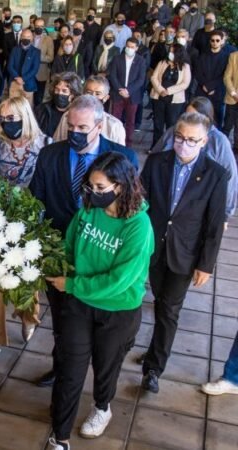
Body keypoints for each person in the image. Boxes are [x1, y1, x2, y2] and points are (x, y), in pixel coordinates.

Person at [45, 152, 153, 449]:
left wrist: (73, 284)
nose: (93, 193)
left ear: (120, 186)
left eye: (100, 187)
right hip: (79, 304)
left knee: (106, 367)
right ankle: (60, 436)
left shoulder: (138, 226)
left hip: (117, 310)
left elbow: (120, 279)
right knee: (71, 369)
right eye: (90, 186)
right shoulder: (87, 211)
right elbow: (69, 247)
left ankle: (102, 406)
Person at [31, 95, 139, 389]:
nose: (75, 133)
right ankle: (62, 368)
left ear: (100, 125)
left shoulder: (124, 158)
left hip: (100, 255)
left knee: (98, 327)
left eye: (83, 127)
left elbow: (130, 208)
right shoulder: (50, 154)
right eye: (71, 126)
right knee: (62, 319)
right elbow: (36, 200)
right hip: (59, 254)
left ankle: (100, 387)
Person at [140, 112, 228, 395]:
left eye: (192, 140)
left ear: (204, 141)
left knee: (169, 310)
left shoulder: (216, 174)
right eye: (180, 138)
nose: (184, 144)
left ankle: (154, 368)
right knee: (154, 299)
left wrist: (206, 264)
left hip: (185, 253)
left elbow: (214, 225)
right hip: (152, 247)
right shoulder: (157, 162)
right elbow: (140, 202)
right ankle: (150, 346)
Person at [0, 96, 51, 357]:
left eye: (13, 119)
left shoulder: (45, 145)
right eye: (4, 119)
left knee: (27, 277)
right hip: (1, 218)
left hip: (31, 221)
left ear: (25, 117)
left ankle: (28, 317)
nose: (8, 123)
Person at [151, 97, 238, 218]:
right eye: (187, 115)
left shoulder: (219, 141)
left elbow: (230, 176)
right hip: (166, 198)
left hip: (199, 204)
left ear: (207, 119)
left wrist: (225, 214)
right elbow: (154, 159)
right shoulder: (173, 131)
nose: (190, 120)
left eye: (195, 117)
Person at [54, 75, 127, 145]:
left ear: (106, 98)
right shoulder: (67, 117)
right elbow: (56, 145)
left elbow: (120, 155)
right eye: (89, 93)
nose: (92, 97)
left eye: (98, 94)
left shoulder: (114, 126)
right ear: (83, 94)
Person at [109, 38, 147, 148]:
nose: (129, 49)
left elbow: (141, 79)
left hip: (132, 95)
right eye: (128, 46)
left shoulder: (140, 60)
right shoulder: (117, 59)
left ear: (136, 48)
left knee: (130, 120)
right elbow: (113, 75)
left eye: (132, 47)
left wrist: (128, 90)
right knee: (115, 119)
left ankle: (128, 143)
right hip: (118, 93)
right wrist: (120, 89)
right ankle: (114, 141)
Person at [150, 43, 191, 146]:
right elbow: (153, 77)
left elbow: (185, 83)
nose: (170, 53)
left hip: (175, 100)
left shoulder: (185, 67)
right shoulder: (162, 63)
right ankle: (156, 145)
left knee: (171, 124)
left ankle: (170, 145)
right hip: (159, 97)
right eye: (170, 51)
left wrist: (168, 91)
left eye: (172, 52)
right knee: (158, 123)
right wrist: (160, 90)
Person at [194, 30, 230, 130]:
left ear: (222, 41)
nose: (215, 42)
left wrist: (210, 87)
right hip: (202, 90)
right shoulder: (202, 55)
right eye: (212, 40)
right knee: (199, 119)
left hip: (218, 91)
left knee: (217, 121)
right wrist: (205, 86)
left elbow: (225, 75)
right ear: (210, 41)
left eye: (217, 40)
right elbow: (197, 72)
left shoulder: (226, 57)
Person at [37, 72, 83, 137]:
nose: (59, 93)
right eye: (57, 89)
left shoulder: (78, 114)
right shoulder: (42, 109)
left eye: (64, 91)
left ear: (73, 95)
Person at [8, 28, 40, 104]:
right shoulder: (15, 49)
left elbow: (34, 69)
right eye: (24, 36)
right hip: (14, 82)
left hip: (28, 83)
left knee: (27, 108)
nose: (26, 38)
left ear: (32, 38)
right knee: (13, 105)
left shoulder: (36, 52)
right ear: (21, 37)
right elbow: (10, 66)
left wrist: (23, 79)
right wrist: (17, 78)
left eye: (28, 37)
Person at [34, 17, 56, 106]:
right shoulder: (29, 36)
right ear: (33, 26)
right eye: (37, 26)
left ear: (44, 27)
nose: (39, 28)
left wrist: (37, 57)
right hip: (27, 73)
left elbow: (50, 57)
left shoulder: (48, 40)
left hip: (41, 73)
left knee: (38, 98)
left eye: (41, 26)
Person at [224, 50, 238, 153]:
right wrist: (233, 93)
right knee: (227, 125)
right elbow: (227, 77)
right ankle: (222, 148)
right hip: (233, 97)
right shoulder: (233, 56)